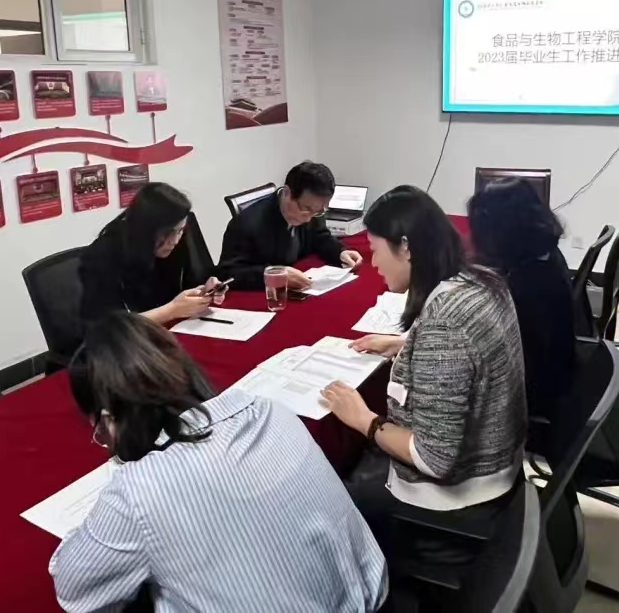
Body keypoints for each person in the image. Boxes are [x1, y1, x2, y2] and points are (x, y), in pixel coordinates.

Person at [51, 313, 388, 613]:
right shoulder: (269, 410)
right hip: (371, 599)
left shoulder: (139, 490)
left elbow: (76, 592)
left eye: (101, 433)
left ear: (109, 421)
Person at [320, 185, 527, 565]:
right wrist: (406, 343)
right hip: (500, 463)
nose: (373, 263)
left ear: (406, 248)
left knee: (324, 494)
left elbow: (434, 459)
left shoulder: (444, 328)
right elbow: (470, 352)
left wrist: (363, 419)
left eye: (376, 250)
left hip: (460, 493)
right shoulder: (480, 279)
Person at [467, 178, 577, 448]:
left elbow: (494, 353)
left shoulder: (528, 285)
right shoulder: (543, 256)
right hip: (555, 377)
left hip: (530, 398)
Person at [80, 183, 225, 325]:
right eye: (167, 233)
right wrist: (172, 310)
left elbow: (191, 280)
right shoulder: (104, 253)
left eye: (180, 230)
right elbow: (109, 326)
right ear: (144, 229)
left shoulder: (178, 236)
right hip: (130, 337)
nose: (174, 241)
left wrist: (206, 289)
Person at [217, 161, 363, 290]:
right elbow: (227, 273)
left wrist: (340, 252)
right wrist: (273, 274)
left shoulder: (313, 210)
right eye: (305, 209)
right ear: (287, 193)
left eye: (318, 211)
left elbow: (320, 237)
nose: (309, 218)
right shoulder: (246, 224)